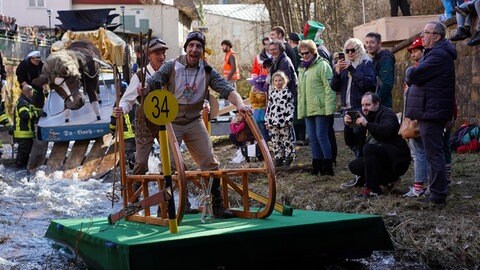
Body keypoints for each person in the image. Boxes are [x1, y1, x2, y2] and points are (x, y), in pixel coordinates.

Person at [144, 31, 249, 218]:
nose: (194, 49)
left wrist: (240, 104)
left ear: (202, 51)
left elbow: (226, 90)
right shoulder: (171, 66)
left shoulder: (207, 71)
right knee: (171, 166)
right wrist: (145, 88)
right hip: (171, 122)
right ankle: (167, 207)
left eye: (198, 46)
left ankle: (216, 206)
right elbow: (154, 81)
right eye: (191, 46)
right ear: (186, 48)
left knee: (210, 162)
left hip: (194, 120)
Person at [405, 21, 457, 206]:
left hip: (432, 111)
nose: (423, 35)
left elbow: (414, 75)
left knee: (434, 154)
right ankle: (436, 191)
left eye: (426, 32)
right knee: (432, 152)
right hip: (430, 109)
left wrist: (410, 70)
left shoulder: (439, 55)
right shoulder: (435, 53)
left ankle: (437, 194)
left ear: (437, 36)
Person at [114, 38, 169, 177]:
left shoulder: (170, 71)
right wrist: (121, 109)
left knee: (173, 161)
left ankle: (173, 193)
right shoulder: (140, 75)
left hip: (167, 120)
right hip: (145, 122)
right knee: (141, 163)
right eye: (157, 53)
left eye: (163, 53)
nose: (161, 57)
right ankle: (134, 195)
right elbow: (127, 100)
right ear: (149, 55)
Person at [346, 92, 411, 197]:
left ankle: (373, 189)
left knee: (369, 148)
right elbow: (352, 142)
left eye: (368, 105)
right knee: (355, 166)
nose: (364, 108)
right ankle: (383, 181)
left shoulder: (387, 114)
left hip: (395, 159)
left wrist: (367, 124)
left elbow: (388, 131)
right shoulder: (364, 117)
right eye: (362, 105)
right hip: (378, 157)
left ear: (377, 104)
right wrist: (348, 126)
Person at [297, 39, 336, 176]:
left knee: (322, 136)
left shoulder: (323, 66)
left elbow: (329, 88)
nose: (304, 56)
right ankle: (317, 164)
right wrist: (301, 109)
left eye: (307, 53)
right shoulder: (302, 68)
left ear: (313, 52)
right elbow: (301, 92)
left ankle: (327, 165)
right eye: (302, 54)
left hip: (321, 108)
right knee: (312, 138)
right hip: (308, 108)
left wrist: (329, 109)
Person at [402, 37, 429, 198]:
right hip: (417, 113)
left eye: (416, 51)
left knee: (420, 152)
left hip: (419, 115)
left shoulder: (422, 70)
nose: (413, 54)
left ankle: (419, 185)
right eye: (411, 51)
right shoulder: (418, 68)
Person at [265, 71, 295, 167]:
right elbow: (269, 108)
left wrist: (288, 119)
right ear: (273, 82)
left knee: (286, 139)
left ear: (284, 81)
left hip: (284, 121)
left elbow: (290, 107)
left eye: (280, 80)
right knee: (275, 140)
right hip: (274, 121)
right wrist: (267, 120)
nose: (278, 82)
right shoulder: (272, 94)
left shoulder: (287, 93)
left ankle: (289, 156)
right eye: (276, 81)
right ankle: (278, 157)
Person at [364, 32, 395, 108]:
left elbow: (387, 84)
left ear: (379, 44)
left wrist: (375, 101)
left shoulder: (385, 59)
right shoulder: (374, 59)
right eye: (367, 42)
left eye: (372, 42)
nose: (368, 45)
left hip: (382, 105)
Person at [110, 81, 136, 171]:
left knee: (130, 156)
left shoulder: (117, 104)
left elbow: (113, 122)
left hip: (126, 137)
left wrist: (112, 132)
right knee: (143, 155)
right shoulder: (135, 101)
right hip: (140, 135)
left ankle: (134, 175)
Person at [13, 85, 38, 169]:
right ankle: (19, 167)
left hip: (26, 133)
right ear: (28, 92)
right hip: (23, 133)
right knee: (23, 152)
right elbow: (25, 115)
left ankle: (22, 167)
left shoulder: (26, 101)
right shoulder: (23, 102)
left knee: (25, 152)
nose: (33, 93)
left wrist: (39, 111)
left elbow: (31, 110)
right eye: (32, 91)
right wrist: (37, 114)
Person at [15, 51, 45, 117]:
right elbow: (21, 78)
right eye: (36, 60)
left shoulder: (40, 65)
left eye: (38, 60)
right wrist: (27, 88)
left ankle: (39, 116)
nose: (37, 62)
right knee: (30, 102)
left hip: (38, 86)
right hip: (27, 87)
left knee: (40, 100)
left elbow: (44, 75)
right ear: (31, 59)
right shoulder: (24, 65)